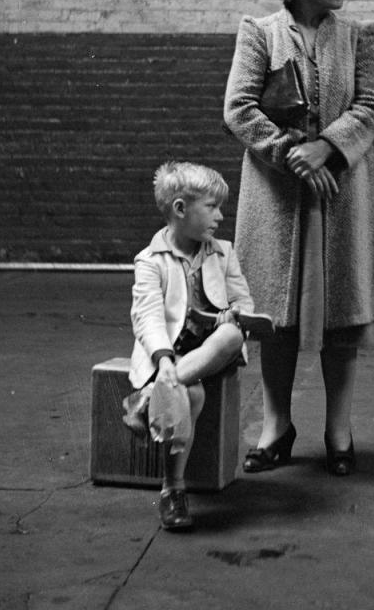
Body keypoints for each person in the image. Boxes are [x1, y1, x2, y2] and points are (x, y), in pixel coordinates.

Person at [223, 0, 374, 477]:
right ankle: (276, 427)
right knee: (273, 313)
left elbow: (372, 105)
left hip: (343, 191)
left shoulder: (359, 36)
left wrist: (326, 149)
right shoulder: (259, 33)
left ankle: (338, 430)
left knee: (342, 313)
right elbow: (239, 107)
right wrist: (289, 154)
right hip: (277, 195)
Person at [123, 161, 267, 531]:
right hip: (170, 353)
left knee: (233, 336)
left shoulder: (223, 253)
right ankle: (173, 489)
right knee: (192, 396)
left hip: (212, 350)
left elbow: (243, 301)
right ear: (180, 209)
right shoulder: (150, 260)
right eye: (211, 207)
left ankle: (147, 397)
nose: (220, 217)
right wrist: (164, 359)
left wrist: (236, 314)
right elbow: (148, 316)